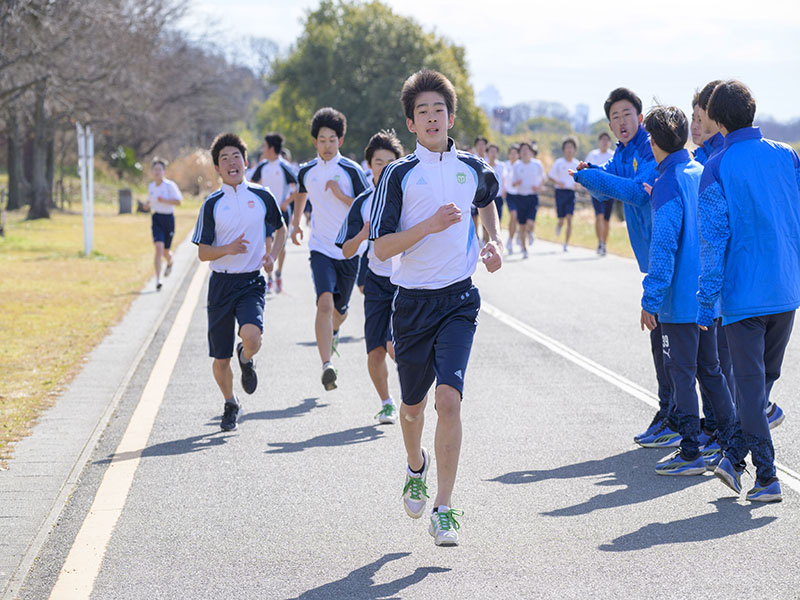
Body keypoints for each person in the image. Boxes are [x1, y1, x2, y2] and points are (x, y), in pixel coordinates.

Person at [369, 69, 503, 546]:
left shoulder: (472, 167)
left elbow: (487, 201)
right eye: (422, 111)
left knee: (449, 400)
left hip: (458, 299)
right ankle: (415, 466)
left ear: (450, 117)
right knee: (412, 409)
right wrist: (428, 225)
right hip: (412, 303)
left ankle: (444, 508)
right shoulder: (399, 175)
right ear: (410, 123)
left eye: (438, 110)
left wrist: (492, 240)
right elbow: (381, 248)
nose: (431, 118)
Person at [697, 80, 800, 502]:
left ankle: (768, 477)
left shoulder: (716, 166)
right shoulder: (788, 155)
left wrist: (705, 303)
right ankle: (733, 459)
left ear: (718, 121)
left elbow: (713, 241)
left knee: (751, 389)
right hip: (786, 288)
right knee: (761, 385)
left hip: (743, 297)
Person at [572, 88, 676, 448]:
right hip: (653, 259)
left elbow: (634, 192)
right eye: (614, 117)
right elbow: (605, 188)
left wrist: (591, 178)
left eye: (627, 114)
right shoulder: (623, 152)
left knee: (672, 344)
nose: (621, 121)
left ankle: (680, 419)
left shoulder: (651, 148)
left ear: (640, 117)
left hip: (669, 257)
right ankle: (676, 416)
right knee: (664, 342)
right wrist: (590, 173)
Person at [637, 105, 738, 477]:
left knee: (680, 373)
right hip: (708, 298)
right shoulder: (700, 170)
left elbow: (663, 247)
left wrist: (650, 300)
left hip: (679, 303)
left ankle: (691, 452)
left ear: (654, 141)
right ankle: (732, 444)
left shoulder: (667, 182)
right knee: (711, 371)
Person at [191, 133, 286, 431]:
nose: (231, 163)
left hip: (251, 282)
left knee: (252, 338)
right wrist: (227, 249)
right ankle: (231, 402)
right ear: (217, 168)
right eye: (224, 159)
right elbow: (203, 252)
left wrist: (271, 255)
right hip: (221, 284)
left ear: (245, 162)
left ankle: (245, 357)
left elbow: (281, 230)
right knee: (220, 360)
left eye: (236, 157)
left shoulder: (262, 196)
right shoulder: (212, 204)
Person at [290, 107, 370, 391]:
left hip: (348, 250)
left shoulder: (351, 170)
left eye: (332, 140)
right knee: (324, 303)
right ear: (315, 141)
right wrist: (296, 223)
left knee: (340, 310)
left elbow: (366, 206)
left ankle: (335, 330)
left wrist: (340, 195)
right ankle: (327, 365)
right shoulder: (306, 171)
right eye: (322, 140)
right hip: (320, 247)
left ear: (340, 140)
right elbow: (301, 193)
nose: (327, 145)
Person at [336, 130, 404, 423]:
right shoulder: (362, 202)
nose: (385, 167)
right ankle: (387, 402)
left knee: (394, 347)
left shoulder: (410, 197)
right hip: (377, 281)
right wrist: (363, 234)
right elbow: (346, 250)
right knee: (375, 352)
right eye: (379, 162)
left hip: (406, 281)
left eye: (390, 162)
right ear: (369, 165)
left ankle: (414, 397)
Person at [251, 132, 298, 294]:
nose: (263, 149)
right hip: (265, 212)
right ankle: (269, 277)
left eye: (265, 146)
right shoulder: (262, 166)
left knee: (281, 245)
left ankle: (278, 274)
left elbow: (298, 188)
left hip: (282, 211)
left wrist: (286, 202)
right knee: (267, 242)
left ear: (271, 148)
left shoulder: (284, 166)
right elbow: (251, 184)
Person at [145, 158, 182, 291]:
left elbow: (179, 202)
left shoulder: (170, 185)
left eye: (159, 169)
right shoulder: (151, 186)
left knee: (166, 251)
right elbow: (150, 200)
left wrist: (165, 200)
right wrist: (147, 204)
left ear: (164, 171)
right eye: (155, 170)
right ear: (152, 172)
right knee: (158, 248)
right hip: (156, 218)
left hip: (168, 219)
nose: (157, 172)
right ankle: (158, 279)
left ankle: (170, 262)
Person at [511, 141, 544, 259]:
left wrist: (538, 187)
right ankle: (524, 249)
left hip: (532, 196)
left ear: (530, 152)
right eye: (522, 150)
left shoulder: (537, 164)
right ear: (520, 153)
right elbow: (513, 183)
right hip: (520, 197)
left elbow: (543, 179)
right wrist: (517, 182)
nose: (525, 152)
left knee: (530, 222)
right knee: (522, 225)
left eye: (527, 149)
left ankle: (530, 232)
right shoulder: (517, 165)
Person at [548, 137, 580, 252]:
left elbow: (581, 178)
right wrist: (558, 182)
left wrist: (577, 184)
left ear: (574, 150)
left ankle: (566, 243)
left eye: (571, 148)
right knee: (561, 219)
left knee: (570, 218)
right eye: (567, 148)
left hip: (571, 193)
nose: (569, 150)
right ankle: (559, 225)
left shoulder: (577, 164)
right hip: (560, 192)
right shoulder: (559, 162)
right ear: (563, 149)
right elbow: (550, 176)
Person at [585, 132, 615, 255]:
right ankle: (600, 242)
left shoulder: (613, 155)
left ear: (609, 142)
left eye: (606, 140)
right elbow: (585, 170)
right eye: (602, 140)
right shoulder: (592, 155)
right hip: (596, 191)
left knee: (606, 219)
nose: (604, 142)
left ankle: (604, 244)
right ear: (598, 142)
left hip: (610, 192)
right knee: (599, 216)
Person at [505, 144, 521, 254]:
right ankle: (510, 239)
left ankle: (519, 234)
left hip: (520, 195)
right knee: (513, 216)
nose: (513, 155)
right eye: (511, 153)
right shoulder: (505, 165)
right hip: (510, 194)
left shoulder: (521, 165)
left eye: (515, 153)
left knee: (520, 219)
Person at [487, 143, 506, 231]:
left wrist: (504, 189)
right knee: (486, 223)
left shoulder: (502, 166)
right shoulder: (484, 165)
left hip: (498, 197)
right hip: (486, 198)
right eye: (491, 151)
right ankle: (485, 238)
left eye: (495, 152)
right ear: (487, 153)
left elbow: (504, 178)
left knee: (497, 221)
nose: (493, 154)